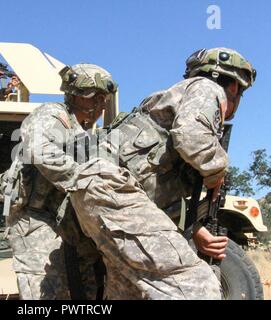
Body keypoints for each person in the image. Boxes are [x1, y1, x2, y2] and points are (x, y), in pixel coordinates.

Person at [101, 47, 256, 263]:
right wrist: (217, 170)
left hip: (110, 196)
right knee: (189, 281)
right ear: (234, 86)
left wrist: (196, 230)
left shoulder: (174, 100)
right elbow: (191, 135)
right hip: (114, 195)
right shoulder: (208, 89)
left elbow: (157, 189)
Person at [0, 63, 116, 299]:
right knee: (46, 292)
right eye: (96, 97)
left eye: (104, 98)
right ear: (76, 96)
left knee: (83, 290)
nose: (101, 103)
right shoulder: (53, 114)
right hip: (36, 221)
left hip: (66, 225)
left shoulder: (83, 131)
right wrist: (84, 179)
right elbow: (39, 149)